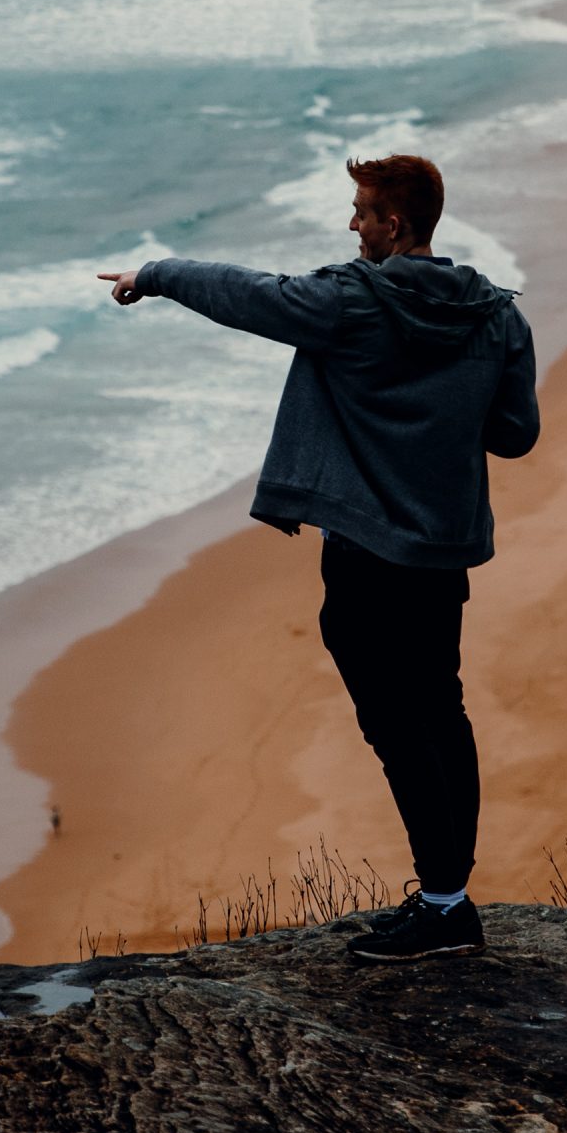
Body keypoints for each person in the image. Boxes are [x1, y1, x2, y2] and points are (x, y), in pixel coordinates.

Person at [98, 154, 539, 963]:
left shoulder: (352, 303)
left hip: (370, 554)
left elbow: (249, 294)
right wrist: (440, 414)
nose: (352, 224)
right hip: (443, 552)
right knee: (442, 710)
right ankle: (451, 895)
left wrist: (156, 273)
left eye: (361, 211)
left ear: (393, 224)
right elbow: (515, 435)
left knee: (396, 725)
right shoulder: (495, 315)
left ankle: (444, 911)